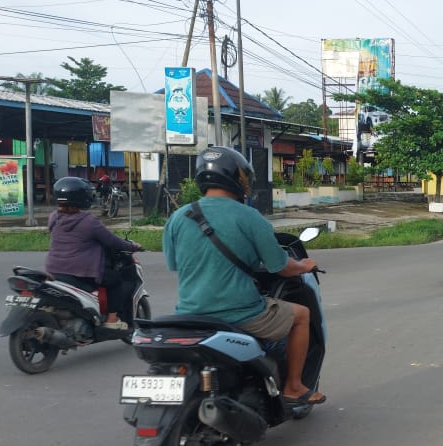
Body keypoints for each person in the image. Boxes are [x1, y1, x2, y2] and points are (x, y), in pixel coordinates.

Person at [163, 147, 325, 406]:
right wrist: (304, 266)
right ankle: (294, 386)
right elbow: (279, 266)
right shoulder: (249, 216)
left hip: (189, 313)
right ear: (238, 179)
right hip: (240, 312)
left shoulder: (178, 217)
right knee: (301, 316)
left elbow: (174, 263)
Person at [45, 177, 143, 330]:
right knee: (115, 280)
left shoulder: (54, 217)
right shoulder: (89, 222)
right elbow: (113, 242)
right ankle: (112, 319)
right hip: (82, 272)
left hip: (55, 269)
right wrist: (132, 246)